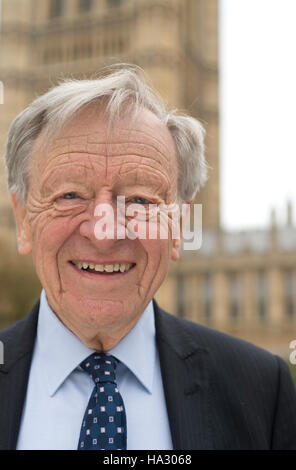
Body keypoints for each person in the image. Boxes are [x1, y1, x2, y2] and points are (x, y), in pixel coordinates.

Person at [0, 65, 296, 451]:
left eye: (140, 200)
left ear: (179, 226)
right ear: (22, 219)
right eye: (69, 196)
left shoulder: (262, 392)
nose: (104, 233)